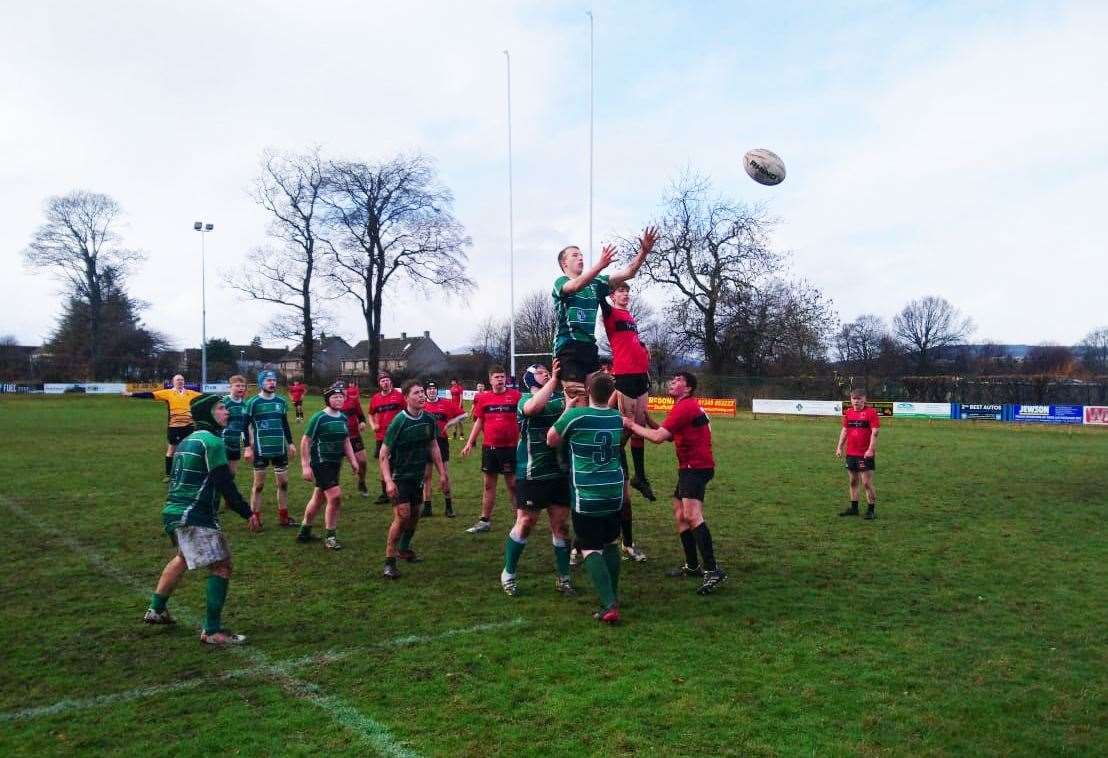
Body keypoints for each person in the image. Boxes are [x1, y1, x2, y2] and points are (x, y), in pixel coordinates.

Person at [143, 394, 261, 645]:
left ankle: (156, 608)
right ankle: (212, 631)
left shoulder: (187, 440)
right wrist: (247, 512)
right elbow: (224, 482)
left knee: (182, 558)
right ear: (208, 413)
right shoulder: (212, 442)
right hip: (194, 514)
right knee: (221, 565)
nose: (226, 412)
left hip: (173, 511)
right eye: (220, 408)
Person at [623, 371, 727, 595]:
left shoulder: (685, 407)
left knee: (692, 515)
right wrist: (647, 419)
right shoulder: (684, 406)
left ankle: (712, 570)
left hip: (695, 468)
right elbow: (669, 435)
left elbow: (658, 438)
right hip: (692, 468)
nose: (673, 382)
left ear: (688, 388)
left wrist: (630, 425)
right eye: (673, 379)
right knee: (680, 513)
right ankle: (692, 566)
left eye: (678, 380)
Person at [546, 371, 625, 623]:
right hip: (614, 491)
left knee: (589, 547)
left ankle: (609, 603)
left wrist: (567, 411)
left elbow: (551, 439)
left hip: (587, 493)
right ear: (610, 393)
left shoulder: (576, 416)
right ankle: (612, 593)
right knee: (612, 542)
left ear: (588, 391)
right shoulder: (616, 418)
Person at [551, 226, 656, 407]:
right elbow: (575, 286)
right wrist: (600, 265)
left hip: (589, 348)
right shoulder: (561, 282)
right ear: (564, 263)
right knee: (579, 403)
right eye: (575, 255)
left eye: (581, 254)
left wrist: (643, 252)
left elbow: (629, 272)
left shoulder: (596, 284)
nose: (580, 257)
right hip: (569, 349)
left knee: (599, 401)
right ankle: (556, 435)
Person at [501, 361, 576, 597]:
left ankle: (564, 579)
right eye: (542, 372)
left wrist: (569, 404)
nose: (547, 374)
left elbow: (560, 427)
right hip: (532, 473)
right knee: (525, 524)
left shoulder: (558, 399)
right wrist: (554, 380)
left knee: (561, 526)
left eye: (549, 371)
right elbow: (533, 409)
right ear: (532, 378)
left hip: (558, 472)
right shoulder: (524, 400)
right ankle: (508, 573)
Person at [379, 380, 448, 578]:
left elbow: (433, 446)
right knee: (402, 516)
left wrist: (442, 473)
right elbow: (384, 454)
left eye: (422, 392)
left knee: (415, 515)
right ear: (406, 397)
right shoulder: (399, 422)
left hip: (417, 476)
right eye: (417, 393)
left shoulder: (428, 419)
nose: (421, 396)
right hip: (399, 476)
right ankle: (389, 561)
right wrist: (388, 481)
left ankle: (404, 548)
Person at [601, 281, 656, 502]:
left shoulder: (629, 316)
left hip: (641, 375)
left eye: (627, 291)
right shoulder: (610, 313)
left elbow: (629, 342)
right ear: (612, 296)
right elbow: (598, 296)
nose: (625, 294)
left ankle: (640, 476)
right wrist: (605, 280)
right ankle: (607, 460)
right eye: (620, 291)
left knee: (639, 426)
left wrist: (642, 347)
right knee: (628, 423)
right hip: (625, 376)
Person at [297, 382, 361, 550]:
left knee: (318, 498)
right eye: (334, 396)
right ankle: (330, 537)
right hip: (320, 462)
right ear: (327, 399)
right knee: (335, 497)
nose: (339, 399)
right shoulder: (319, 417)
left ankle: (304, 531)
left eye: (341, 396)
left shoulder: (342, 417)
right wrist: (305, 465)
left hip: (335, 463)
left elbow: (346, 440)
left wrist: (353, 460)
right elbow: (305, 441)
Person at [461, 366, 522, 534]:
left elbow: (524, 419)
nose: (500, 380)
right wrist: (469, 442)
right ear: (490, 380)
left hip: (510, 448)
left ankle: (520, 520)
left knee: (513, 485)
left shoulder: (516, 396)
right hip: (490, 448)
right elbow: (479, 421)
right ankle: (484, 520)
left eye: (502, 377)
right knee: (488, 485)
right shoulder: (484, 398)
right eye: (497, 377)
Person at [243, 370, 297, 528]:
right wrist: (247, 447)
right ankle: (255, 519)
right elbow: (244, 426)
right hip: (261, 449)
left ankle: (284, 517)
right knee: (258, 486)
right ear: (261, 383)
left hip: (279, 448)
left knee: (284, 484)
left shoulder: (281, 402)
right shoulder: (253, 402)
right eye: (268, 380)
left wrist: (291, 442)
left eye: (273, 380)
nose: (272, 383)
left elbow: (285, 424)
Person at [126, 374, 202, 481]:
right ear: (173, 382)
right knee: (171, 450)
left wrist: (224, 397)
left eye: (182, 379)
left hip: (189, 426)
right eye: (178, 380)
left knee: (190, 449)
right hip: (174, 426)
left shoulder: (191, 393)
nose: (180, 381)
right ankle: (168, 475)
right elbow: (150, 395)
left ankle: (188, 472)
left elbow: (205, 396)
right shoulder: (168, 393)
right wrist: (131, 394)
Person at [421, 381, 466, 518]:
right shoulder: (421, 405)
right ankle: (427, 507)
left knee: (444, 475)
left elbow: (464, 415)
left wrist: (452, 422)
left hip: (441, 442)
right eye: (429, 389)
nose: (432, 391)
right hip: (424, 443)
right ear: (425, 391)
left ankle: (449, 507)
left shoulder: (445, 404)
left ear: (437, 391)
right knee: (426, 476)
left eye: (434, 389)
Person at [836, 388, 880, 519]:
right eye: (854, 399)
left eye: (859, 399)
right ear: (851, 400)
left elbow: (875, 432)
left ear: (864, 399)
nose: (856, 401)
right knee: (853, 482)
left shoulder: (871, 413)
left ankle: (871, 510)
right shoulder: (848, 413)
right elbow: (844, 431)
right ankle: (854, 509)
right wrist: (839, 447)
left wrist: (871, 449)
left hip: (865, 454)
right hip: (851, 454)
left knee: (866, 483)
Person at [368, 372, 405, 505]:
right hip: (381, 437)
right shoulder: (375, 398)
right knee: (383, 465)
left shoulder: (399, 397)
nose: (385, 382)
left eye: (387, 380)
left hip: (398, 436)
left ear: (391, 382)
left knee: (398, 464)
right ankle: (385, 494)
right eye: (382, 380)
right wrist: (373, 425)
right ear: (379, 383)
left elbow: (407, 412)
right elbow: (370, 414)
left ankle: (400, 491)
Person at [341, 382, 370, 497]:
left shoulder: (353, 401)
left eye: (342, 389)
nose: (341, 392)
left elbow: (361, 416)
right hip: (339, 439)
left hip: (354, 437)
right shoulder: (333, 403)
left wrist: (362, 423)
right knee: (335, 465)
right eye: (338, 389)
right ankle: (331, 488)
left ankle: (362, 482)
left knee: (362, 461)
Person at [220, 375, 248, 476]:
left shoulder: (245, 405)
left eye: (243, 386)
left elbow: (246, 426)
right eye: (238, 386)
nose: (241, 388)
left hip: (235, 442)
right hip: (222, 441)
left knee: (232, 473)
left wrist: (248, 444)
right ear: (230, 387)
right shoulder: (223, 401)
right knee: (221, 472)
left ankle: (226, 491)